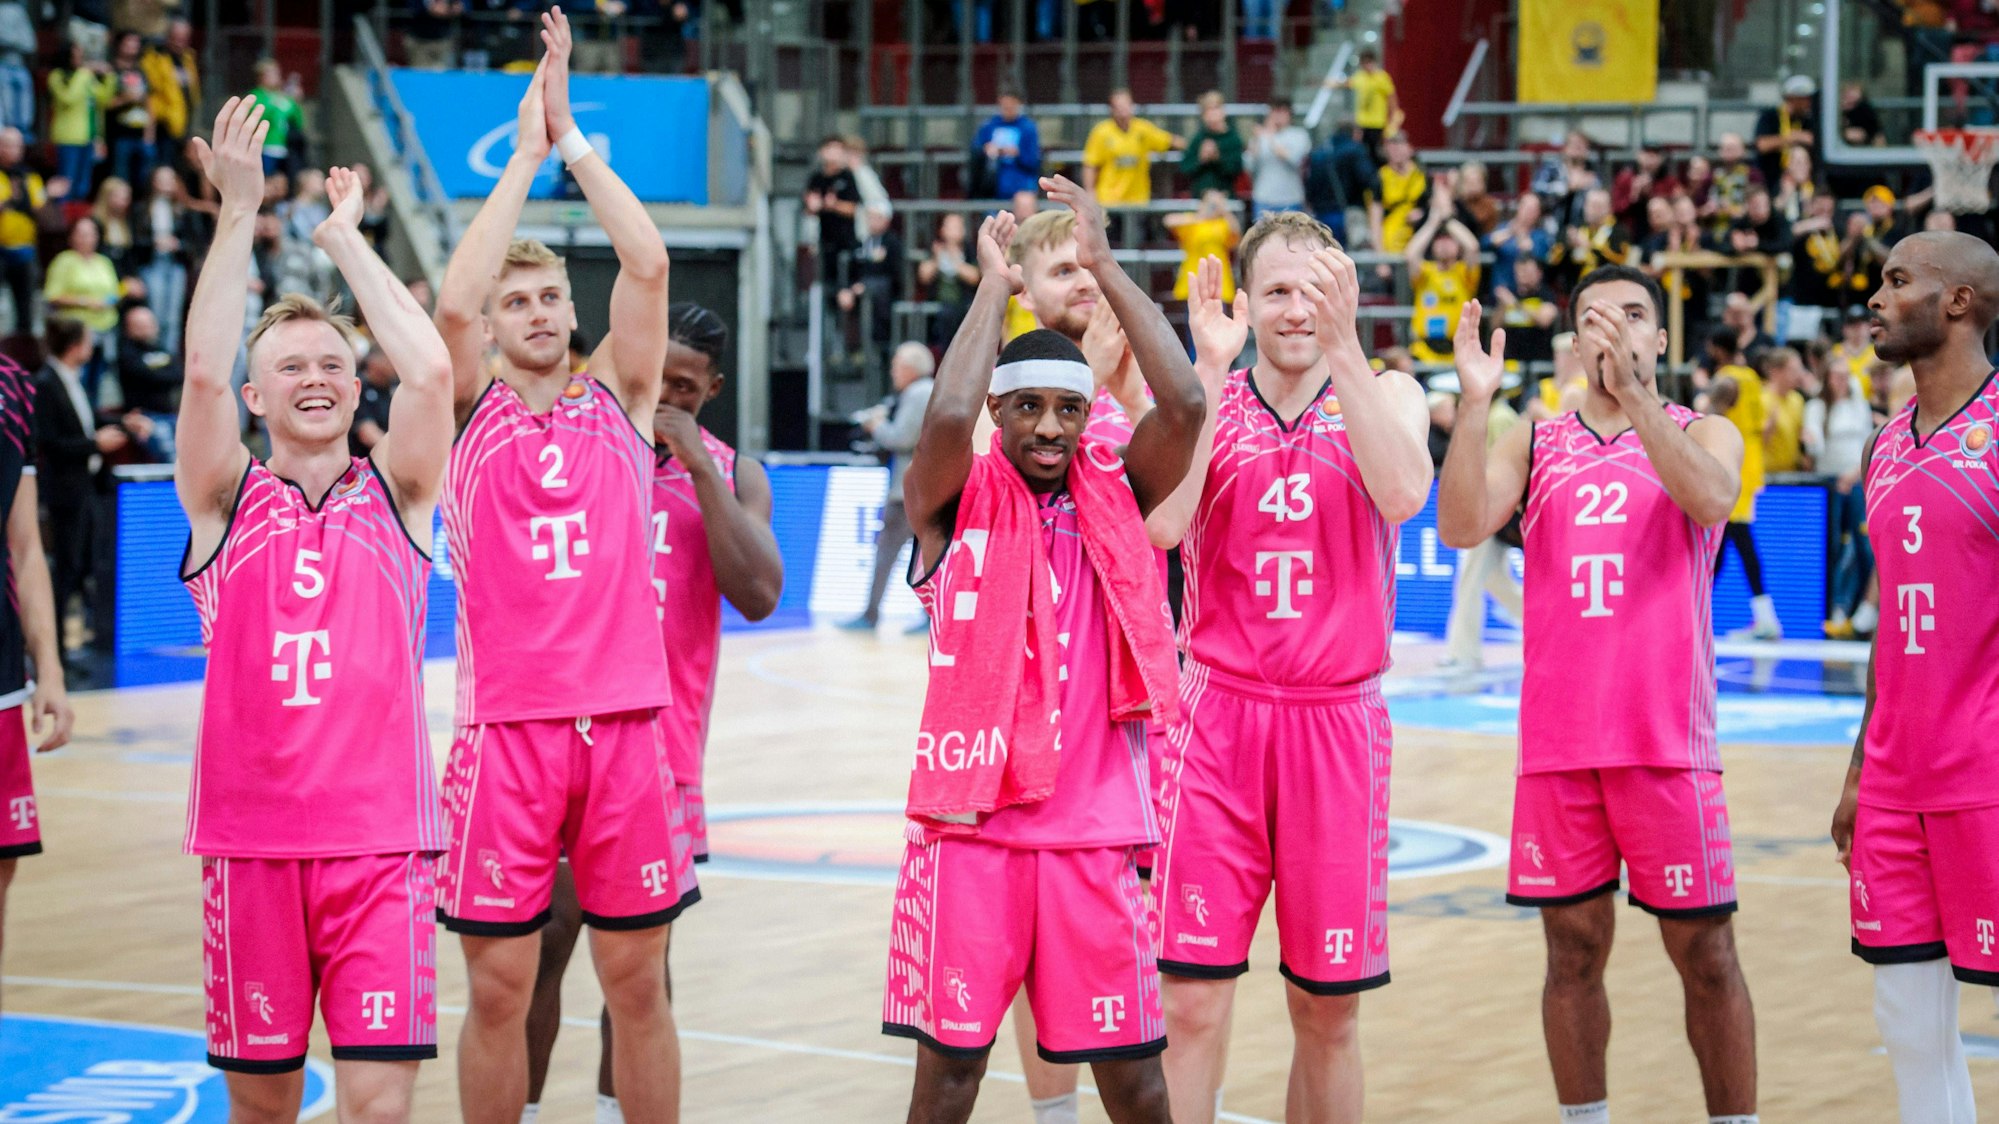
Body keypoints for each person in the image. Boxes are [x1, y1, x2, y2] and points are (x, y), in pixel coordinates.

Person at [883, 174, 1203, 1124]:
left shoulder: (1116, 490)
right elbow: (944, 421)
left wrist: (1103, 261)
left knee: (1138, 1084)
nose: (1050, 430)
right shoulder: (952, 499)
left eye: (1067, 412)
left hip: (1092, 831)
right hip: (972, 831)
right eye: (1026, 410)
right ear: (999, 413)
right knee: (949, 1080)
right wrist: (991, 287)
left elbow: (1182, 401)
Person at [170, 97, 454, 1119]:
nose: (318, 377)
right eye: (291, 365)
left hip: (380, 843)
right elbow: (202, 369)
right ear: (257, 398)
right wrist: (238, 211)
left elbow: (428, 368)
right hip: (249, 846)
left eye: (333, 362)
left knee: (379, 1106)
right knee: (263, 1108)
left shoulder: (399, 495)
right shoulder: (222, 499)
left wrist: (346, 242)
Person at [429, 17, 691, 1123]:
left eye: (549, 297)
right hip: (509, 735)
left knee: (638, 983)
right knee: (499, 985)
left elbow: (650, 260)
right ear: (494, 328)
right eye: (516, 302)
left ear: (572, 313)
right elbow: (447, 301)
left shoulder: (623, 403)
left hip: (628, 726)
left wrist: (573, 138)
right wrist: (523, 157)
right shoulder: (463, 415)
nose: (536, 311)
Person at [1438, 266, 1759, 1124]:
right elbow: (1459, 525)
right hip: (1558, 748)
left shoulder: (1708, 431)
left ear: (1659, 340)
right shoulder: (1536, 442)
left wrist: (1639, 400)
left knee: (1707, 953)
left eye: (1632, 318)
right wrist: (1475, 406)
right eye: (1593, 320)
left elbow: (1712, 497)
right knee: (1570, 953)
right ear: (1573, 345)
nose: (1611, 331)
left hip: (1665, 746)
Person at [1145, 212, 1432, 1124]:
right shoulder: (1206, 396)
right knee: (1188, 1001)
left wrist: (1347, 355)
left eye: (1317, 291)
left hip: (1335, 723)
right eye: (1275, 290)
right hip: (1217, 718)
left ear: (1346, 298)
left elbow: (1402, 495)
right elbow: (1161, 526)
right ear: (1244, 302)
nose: (1296, 309)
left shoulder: (1390, 392)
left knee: (1328, 1009)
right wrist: (1207, 369)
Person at [522, 302, 782, 1124]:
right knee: (543, 949)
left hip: (659, 758)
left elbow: (760, 595)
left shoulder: (732, 473)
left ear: (711, 388)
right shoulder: (573, 451)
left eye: (686, 385)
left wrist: (697, 467)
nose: (666, 394)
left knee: (638, 961)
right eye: (655, 376)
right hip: (557, 740)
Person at [1828, 231, 1999, 1124]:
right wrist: (1860, 768)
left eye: (1897, 281)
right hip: (1894, 780)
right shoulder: (1885, 445)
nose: (1876, 297)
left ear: (1958, 302)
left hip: (1986, 774)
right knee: (1906, 1023)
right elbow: (1890, 628)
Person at [0, 338, 73, 1007]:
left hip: (0, 682)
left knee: (2, 868)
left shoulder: (13, 389)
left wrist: (48, 667)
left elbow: (24, 545)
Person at [843, 341, 935, 634]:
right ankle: (928, 615)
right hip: (922, 488)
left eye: (896, 365)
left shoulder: (918, 393)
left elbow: (901, 438)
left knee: (888, 554)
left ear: (909, 368)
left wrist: (876, 426)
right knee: (925, 555)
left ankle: (871, 615)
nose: (893, 371)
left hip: (907, 491)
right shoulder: (929, 390)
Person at [1438, 381, 1522, 673]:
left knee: (1471, 579)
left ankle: (1464, 653)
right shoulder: (1491, 415)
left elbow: (1503, 468)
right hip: (1486, 509)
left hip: (1488, 510)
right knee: (1492, 580)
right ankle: (1545, 624)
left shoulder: (1499, 418)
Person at [1703, 330, 1781, 640]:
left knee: (1732, 538)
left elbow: (1713, 414)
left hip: (1730, 465)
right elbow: (1766, 425)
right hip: (1750, 466)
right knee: (1725, 542)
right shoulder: (1752, 378)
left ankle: (1765, 618)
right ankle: (1761, 615)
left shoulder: (1727, 379)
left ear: (1717, 350)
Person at [1804, 356, 1876, 638]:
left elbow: (1868, 441)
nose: (1841, 381)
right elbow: (1816, 448)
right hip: (1829, 484)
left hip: (1857, 480)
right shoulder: (1817, 407)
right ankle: (1834, 609)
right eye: (1836, 375)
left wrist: (1855, 473)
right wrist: (1810, 442)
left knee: (1862, 546)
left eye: (1845, 375)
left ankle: (1860, 611)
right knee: (1832, 546)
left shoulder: (1859, 405)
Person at [42, 219, 122, 399]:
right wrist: (85, 302)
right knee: (79, 380)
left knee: (98, 380)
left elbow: (114, 292)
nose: (88, 238)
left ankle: (92, 419)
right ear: (72, 237)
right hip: (77, 333)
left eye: (92, 233)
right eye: (82, 234)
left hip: (105, 329)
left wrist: (113, 299)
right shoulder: (64, 261)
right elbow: (52, 296)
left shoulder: (103, 262)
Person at [1404, 179, 1481, 364]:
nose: (1444, 244)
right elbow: (1410, 254)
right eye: (1440, 240)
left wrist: (1448, 220)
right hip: (1423, 352)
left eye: (1449, 240)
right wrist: (1433, 221)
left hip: (1457, 353)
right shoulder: (1426, 272)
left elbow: (1472, 247)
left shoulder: (1464, 273)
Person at [137, 162, 204, 356]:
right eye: (161, 179)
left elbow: (195, 242)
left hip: (175, 265)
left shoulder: (183, 211)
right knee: (155, 312)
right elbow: (136, 241)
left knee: (173, 317)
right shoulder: (143, 209)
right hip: (152, 264)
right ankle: (152, 354)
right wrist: (153, 243)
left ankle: (169, 359)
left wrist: (178, 245)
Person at [1081, 88, 1184, 207]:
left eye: (1126, 105)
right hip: (1109, 201)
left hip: (1138, 200)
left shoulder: (1143, 129)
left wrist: (1194, 147)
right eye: (1118, 106)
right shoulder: (1101, 132)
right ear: (1112, 109)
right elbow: (1091, 164)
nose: (1123, 110)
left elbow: (1169, 140)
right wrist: (1090, 192)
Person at [114, 302, 177, 459]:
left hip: (170, 415)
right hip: (144, 416)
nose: (147, 328)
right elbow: (142, 375)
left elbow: (178, 374)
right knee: (169, 454)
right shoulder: (126, 353)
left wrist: (153, 374)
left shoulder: (161, 349)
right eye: (140, 325)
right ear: (129, 328)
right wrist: (159, 374)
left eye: (149, 323)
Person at [46, 42, 105, 200]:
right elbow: (68, 99)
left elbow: (103, 98)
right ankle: (61, 219)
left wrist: (109, 76)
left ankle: (78, 219)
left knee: (83, 185)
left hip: (88, 137)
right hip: (68, 137)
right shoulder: (56, 76)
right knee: (66, 183)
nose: (80, 60)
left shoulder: (84, 77)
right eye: (76, 56)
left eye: (81, 56)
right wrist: (83, 74)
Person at [0, 127, 44, 333]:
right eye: (6, 144)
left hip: (25, 250)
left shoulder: (30, 177)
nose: (12, 149)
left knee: (25, 309)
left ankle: (20, 355)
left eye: (16, 145)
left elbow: (40, 209)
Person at [804, 135, 861, 292]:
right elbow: (808, 208)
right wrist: (813, 206)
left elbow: (853, 208)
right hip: (824, 241)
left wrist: (834, 205)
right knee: (825, 286)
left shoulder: (847, 177)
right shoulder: (816, 179)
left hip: (845, 242)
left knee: (845, 285)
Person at [918, 211, 980, 348]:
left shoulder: (969, 250)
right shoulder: (935, 248)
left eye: (956, 227)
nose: (952, 232)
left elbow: (975, 277)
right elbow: (923, 276)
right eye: (949, 227)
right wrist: (936, 259)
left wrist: (955, 260)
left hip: (963, 302)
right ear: (942, 230)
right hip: (938, 303)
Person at [1304, 120, 1372, 244]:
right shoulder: (1355, 150)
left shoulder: (1320, 151)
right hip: (1348, 212)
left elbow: (1310, 182)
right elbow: (1368, 179)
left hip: (1321, 213)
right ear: (1356, 132)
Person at [1166, 189, 1240, 302]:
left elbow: (1236, 232)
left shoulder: (1223, 224)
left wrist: (1224, 211)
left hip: (1218, 282)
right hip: (1194, 280)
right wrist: (1201, 215)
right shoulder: (1192, 222)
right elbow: (1169, 221)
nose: (1213, 208)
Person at [101, 32, 154, 190]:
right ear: (119, 45)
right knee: (120, 180)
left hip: (141, 134)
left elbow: (149, 103)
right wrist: (126, 98)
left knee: (144, 180)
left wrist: (149, 132)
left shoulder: (141, 71)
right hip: (119, 135)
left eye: (136, 43)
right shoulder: (110, 71)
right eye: (129, 43)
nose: (133, 47)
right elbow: (103, 103)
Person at [971, 88, 1041, 200]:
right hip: (992, 184)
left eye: (1011, 105)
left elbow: (1033, 160)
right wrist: (986, 149)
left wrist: (1017, 153)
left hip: (1021, 184)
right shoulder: (989, 125)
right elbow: (976, 149)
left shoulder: (1028, 128)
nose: (1008, 109)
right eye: (1005, 106)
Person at [141, 19, 199, 152]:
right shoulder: (155, 57)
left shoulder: (188, 58)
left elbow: (192, 87)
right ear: (168, 37)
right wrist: (164, 115)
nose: (180, 43)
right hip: (163, 123)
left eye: (184, 39)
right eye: (177, 39)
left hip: (184, 120)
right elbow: (152, 89)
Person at [1335, 47, 1399, 166]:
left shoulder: (1382, 77)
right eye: (1364, 63)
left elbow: (1391, 98)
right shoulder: (1360, 76)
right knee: (1363, 153)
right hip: (1363, 122)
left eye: (1369, 62)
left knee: (1377, 153)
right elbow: (1347, 83)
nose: (1367, 66)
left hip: (1377, 122)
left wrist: (1392, 116)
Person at [1247, 101, 1310, 222]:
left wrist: (1270, 137)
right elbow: (1249, 165)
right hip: (1263, 199)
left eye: (1282, 112)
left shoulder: (1298, 135)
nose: (1277, 116)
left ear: (1289, 115)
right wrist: (1257, 140)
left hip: (1291, 199)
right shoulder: (1260, 137)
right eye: (1275, 112)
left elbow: (1295, 159)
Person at [1754, 74, 1817, 190]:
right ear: (1792, 98)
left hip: (1802, 181)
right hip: (1771, 178)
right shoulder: (1770, 116)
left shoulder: (1808, 120)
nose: (1809, 103)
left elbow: (1815, 141)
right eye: (1804, 99)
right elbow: (1762, 145)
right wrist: (1793, 138)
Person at [247, 58, 307, 178]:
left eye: (277, 73)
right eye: (272, 73)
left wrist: (297, 102)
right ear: (261, 76)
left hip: (284, 148)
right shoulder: (256, 96)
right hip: (265, 148)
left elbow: (299, 122)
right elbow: (256, 120)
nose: (277, 76)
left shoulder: (283, 97)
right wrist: (274, 106)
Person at [1180, 91, 1243, 202]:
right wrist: (1200, 159)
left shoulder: (1233, 139)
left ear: (1223, 111)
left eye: (1215, 109)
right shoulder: (1198, 138)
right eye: (1207, 111)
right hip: (1200, 200)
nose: (1212, 115)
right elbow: (1185, 168)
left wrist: (1217, 158)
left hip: (1225, 199)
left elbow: (1236, 170)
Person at [1760, 346, 1810, 474]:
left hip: (1793, 473)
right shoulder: (1760, 399)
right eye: (1793, 370)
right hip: (1768, 474)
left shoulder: (1797, 400)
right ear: (1775, 372)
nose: (1798, 375)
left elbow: (1800, 435)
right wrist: (1768, 429)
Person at [349, 342, 394, 457]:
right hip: (364, 464)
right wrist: (398, 456)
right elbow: (367, 433)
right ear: (373, 361)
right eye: (389, 359)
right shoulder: (359, 388)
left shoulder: (394, 388)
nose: (395, 365)